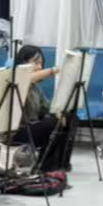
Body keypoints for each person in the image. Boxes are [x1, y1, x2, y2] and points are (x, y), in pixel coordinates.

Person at [9, 44, 70, 172]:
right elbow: (24, 78)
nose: (40, 67)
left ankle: (61, 163)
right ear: (23, 62)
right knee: (53, 123)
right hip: (17, 132)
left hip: (33, 127)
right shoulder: (15, 81)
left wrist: (58, 112)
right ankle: (44, 167)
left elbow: (46, 108)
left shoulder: (35, 87)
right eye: (36, 62)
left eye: (41, 63)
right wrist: (53, 70)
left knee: (69, 117)